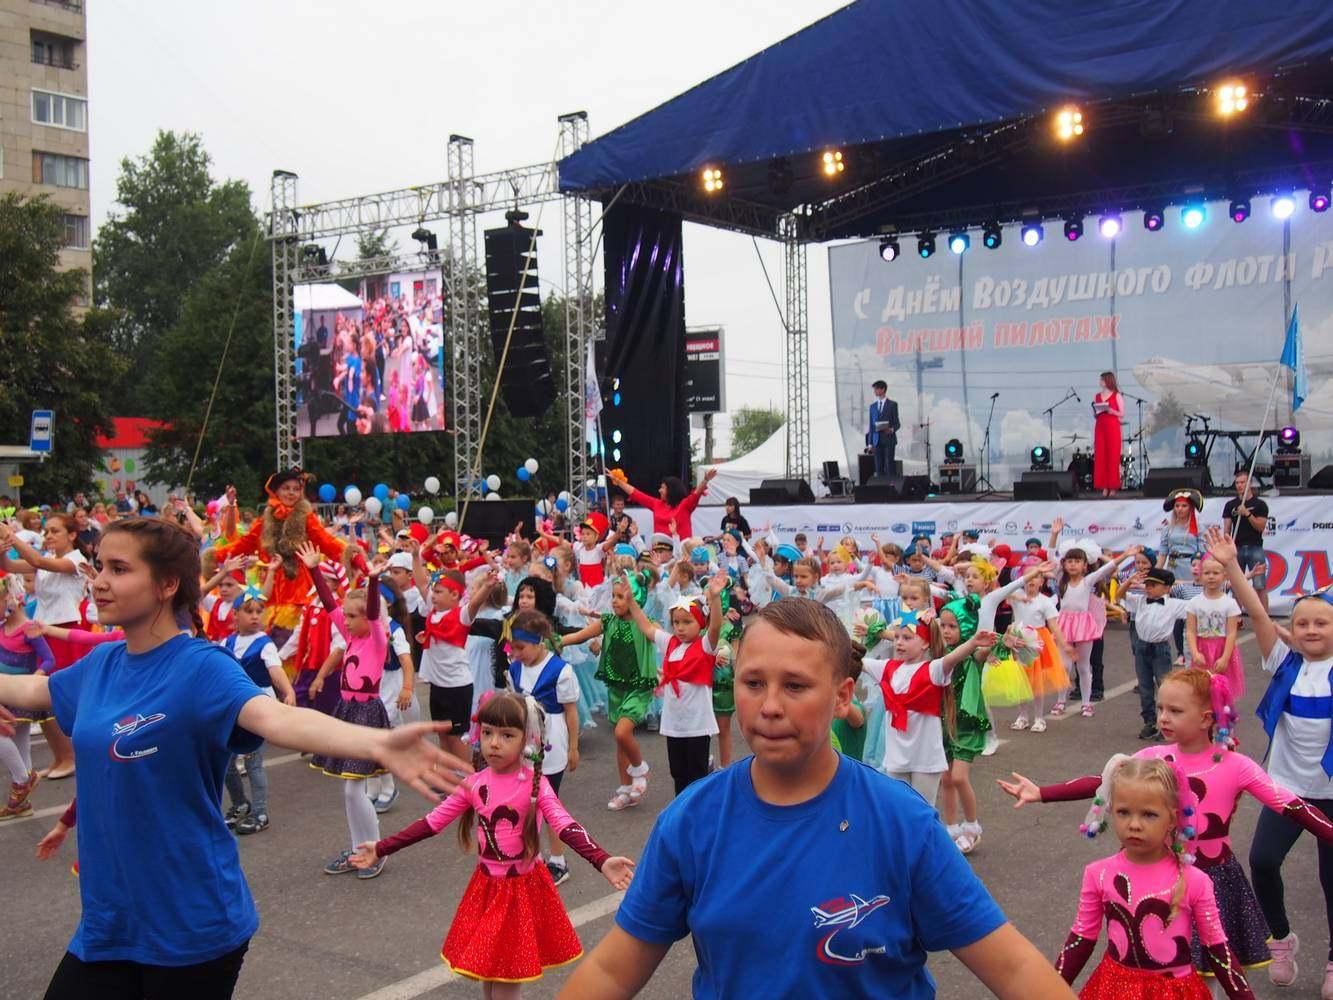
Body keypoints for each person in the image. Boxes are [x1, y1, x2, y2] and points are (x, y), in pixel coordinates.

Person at [0, 516, 465, 998]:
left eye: (119, 569)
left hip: (190, 928)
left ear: (167, 585)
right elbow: (33, 689)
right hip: (108, 924)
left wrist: (372, 743)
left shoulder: (201, 667)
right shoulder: (99, 666)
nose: (98, 582)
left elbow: (273, 719)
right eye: (99, 567)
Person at [558, 598, 1074, 999]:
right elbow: (611, 970)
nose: (770, 707)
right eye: (753, 683)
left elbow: (1012, 966)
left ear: (843, 696)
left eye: (797, 686)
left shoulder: (901, 823)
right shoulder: (693, 821)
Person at [1002, 667, 1333, 983]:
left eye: (1175, 710)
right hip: (1155, 878)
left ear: (1206, 718)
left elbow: (1292, 806)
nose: (1162, 717)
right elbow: (1104, 781)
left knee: (1210, 972)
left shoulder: (1236, 766)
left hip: (1214, 879)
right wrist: (1042, 793)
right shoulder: (1154, 756)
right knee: (1160, 966)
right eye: (1160, 708)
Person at [351, 692, 634, 994]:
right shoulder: (474, 782)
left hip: (520, 892)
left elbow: (565, 825)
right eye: (487, 732)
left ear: (528, 739)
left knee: (504, 981)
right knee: (490, 975)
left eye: (506, 735)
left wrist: (600, 859)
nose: (494, 743)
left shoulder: (536, 786)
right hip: (486, 888)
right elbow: (431, 823)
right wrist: (381, 848)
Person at [1207, 525, 1333, 992]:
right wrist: (1233, 567)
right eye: (1302, 623)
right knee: (1261, 862)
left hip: (1332, 795)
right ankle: (1281, 939)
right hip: (1286, 790)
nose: (1311, 630)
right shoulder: (1284, 661)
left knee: (1330, 881)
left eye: (1321, 623)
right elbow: (1258, 613)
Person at [1051, 755, 1256, 998]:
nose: (1134, 824)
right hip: (1113, 989)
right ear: (1111, 811)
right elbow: (1081, 939)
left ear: (1172, 818)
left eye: (1149, 814)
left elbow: (1218, 949)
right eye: (1123, 812)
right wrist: (1046, 991)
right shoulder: (1098, 873)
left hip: (1176, 991)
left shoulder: (1195, 881)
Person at [0, 512, 85, 779]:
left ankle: (70, 755)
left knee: (56, 697)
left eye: (55, 531)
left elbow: (35, 560)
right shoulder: (48, 563)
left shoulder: (76, 561)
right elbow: (12, 567)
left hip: (65, 630)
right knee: (41, 702)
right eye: (46, 531)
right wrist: (3, 550)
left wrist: (9, 535)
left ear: (72, 535)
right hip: (43, 630)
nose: (48, 536)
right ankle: (61, 755)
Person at [623, 575, 726, 796]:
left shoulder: (705, 645)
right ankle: (681, 813)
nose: (680, 628)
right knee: (678, 773)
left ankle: (698, 816)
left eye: (687, 622)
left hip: (697, 725)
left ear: (701, 623)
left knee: (696, 776)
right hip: (674, 724)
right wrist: (631, 602)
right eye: (676, 622)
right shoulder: (670, 643)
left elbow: (716, 626)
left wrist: (715, 598)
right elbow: (647, 628)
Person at [506, 610, 583, 886]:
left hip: (553, 743)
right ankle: (532, 855)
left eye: (521, 648)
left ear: (538, 642)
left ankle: (558, 860)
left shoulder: (560, 670)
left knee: (549, 802)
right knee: (526, 801)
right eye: (512, 647)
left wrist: (574, 747)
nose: (516, 653)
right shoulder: (515, 668)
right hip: (524, 743)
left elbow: (571, 712)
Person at [1113, 567, 1190, 741]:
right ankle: (1149, 721)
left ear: (1167, 588)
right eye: (1147, 584)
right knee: (1145, 687)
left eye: (1153, 585)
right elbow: (1119, 595)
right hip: (1142, 647)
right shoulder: (1139, 601)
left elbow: (1194, 609)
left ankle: (1167, 724)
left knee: (1165, 687)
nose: (1148, 588)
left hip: (1160, 648)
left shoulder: (1174, 604)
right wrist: (1129, 581)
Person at [607, 466, 717, 540]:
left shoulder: (685, 504)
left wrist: (705, 480)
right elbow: (636, 493)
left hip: (681, 554)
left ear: (671, 490)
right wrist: (618, 481)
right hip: (660, 553)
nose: (659, 490)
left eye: (662, 488)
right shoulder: (657, 504)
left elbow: (697, 493)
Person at [1222, 469, 1270, 612]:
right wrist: (1226, 545)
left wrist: (1247, 513)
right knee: (1236, 585)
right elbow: (1227, 529)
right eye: (1237, 483)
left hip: (1255, 547)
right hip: (1236, 548)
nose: (1239, 485)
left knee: (1259, 585)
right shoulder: (1230, 505)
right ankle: (1235, 618)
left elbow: (1260, 527)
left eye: (1243, 482)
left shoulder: (1260, 504)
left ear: (1250, 484)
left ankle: (1264, 616)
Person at [1091, 371, 1124, 496]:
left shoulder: (1116, 396)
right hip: (1100, 426)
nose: (1100, 382)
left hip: (1112, 426)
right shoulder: (1097, 396)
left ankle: (1113, 486)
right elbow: (1096, 412)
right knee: (1101, 456)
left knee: (1113, 456)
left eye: (1102, 380)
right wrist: (1096, 413)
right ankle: (1104, 485)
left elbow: (1121, 413)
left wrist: (1111, 410)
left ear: (1107, 381)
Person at [866, 379, 901, 477]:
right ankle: (881, 488)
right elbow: (871, 426)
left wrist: (891, 429)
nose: (874, 391)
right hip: (877, 441)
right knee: (878, 467)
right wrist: (869, 443)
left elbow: (897, 423)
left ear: (883, 389)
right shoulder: (872, 407)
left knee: (889, 464)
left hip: (889, 439)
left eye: (876, 389)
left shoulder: (892, 405)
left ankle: (890, 487)